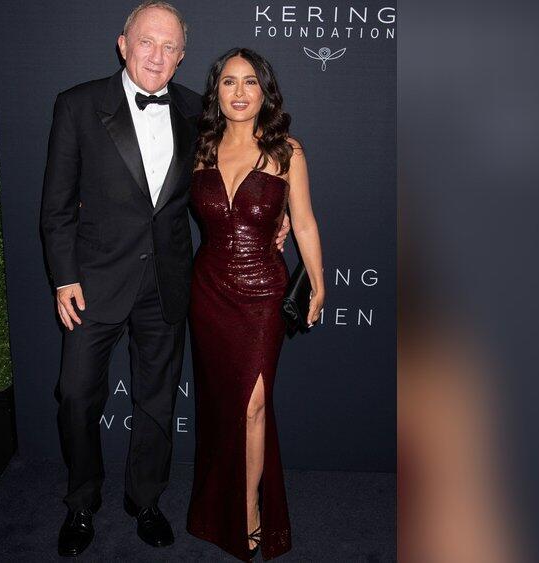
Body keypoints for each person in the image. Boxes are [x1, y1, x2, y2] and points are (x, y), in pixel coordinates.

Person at [39, 3, 290, 557]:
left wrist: (280, 214)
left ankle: (146, 500)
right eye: (147, 42)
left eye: (170, 46)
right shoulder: (77, 105)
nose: (157, 55)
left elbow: (250, 159)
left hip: (170, 281)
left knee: (156, 402)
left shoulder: (198, 111)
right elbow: (55, 206)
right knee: (76, 396)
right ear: (123, 44)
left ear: (182, 56)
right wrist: (64, 277)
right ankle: (81, 503)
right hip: (93, 284)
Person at [186, 48, 325, 561]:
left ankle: (248, 512)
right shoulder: (201, 149)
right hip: (208, 291)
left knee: (253, 404)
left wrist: (318, 282)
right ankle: (214, 509)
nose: (240, 92)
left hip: (263, 291)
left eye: (250, 82)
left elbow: (303, 221)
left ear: (265, 92)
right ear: (216, 92)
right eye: (229, 82)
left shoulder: (287, 151)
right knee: (221, 404)